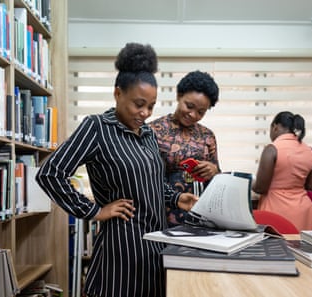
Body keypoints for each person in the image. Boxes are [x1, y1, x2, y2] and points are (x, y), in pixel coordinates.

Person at [36, 43, 197, 297]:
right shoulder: (97, 127)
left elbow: (150, 183)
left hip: (155, 249)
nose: (145, 113)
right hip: (121, 252)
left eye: (151, 106)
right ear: (118, 94)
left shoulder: (147, 135)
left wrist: (177, 198)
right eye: (139, 104)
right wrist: (94, 211)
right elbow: (50, 174)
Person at [149, 70, 220, 226]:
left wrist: (213, 171)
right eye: (189, 106)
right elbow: (146, 179)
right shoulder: (153, 131)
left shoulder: (207, 136)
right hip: (160, 215)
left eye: (201, 112)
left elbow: (218, 180)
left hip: (200, 216)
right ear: (179, 96)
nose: (193, 115)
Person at [252, 111, 312, 231]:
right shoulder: (309, 151)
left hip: (276, 212)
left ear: (275, 126)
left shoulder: (272, 149)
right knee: (304, 249)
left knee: (275, 249)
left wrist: (249, 182)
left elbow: (261, 188)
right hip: (305, 214)